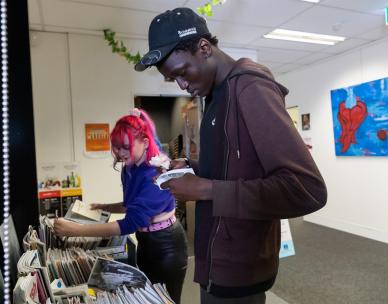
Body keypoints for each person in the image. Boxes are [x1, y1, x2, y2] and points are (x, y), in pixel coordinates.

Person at [135, 7, 327, 304]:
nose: (182, 85)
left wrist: (207, 189)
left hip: (241, 272)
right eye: (173, 79)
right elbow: (237, 168)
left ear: (203, 48)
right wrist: (193, 169)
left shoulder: (251, 88)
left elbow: (307, 190)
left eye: (182, 73)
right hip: (215, 262)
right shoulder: (215, 96)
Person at [54, 108, 188, 304]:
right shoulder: (130, 168)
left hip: (167, 246)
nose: (120, 152)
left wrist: (76, 230)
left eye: (126, 146)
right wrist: (104, 206)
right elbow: (131, 206)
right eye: (116, 146)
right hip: (146, 242)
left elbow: (129, 224)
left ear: (145, 142)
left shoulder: (156, 173)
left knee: (167, 300)